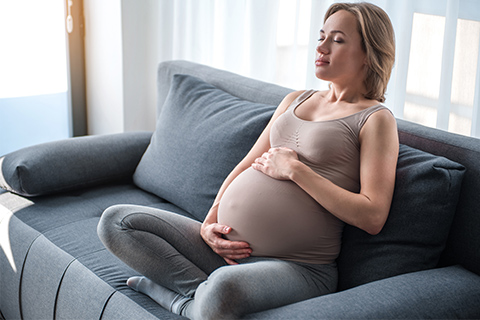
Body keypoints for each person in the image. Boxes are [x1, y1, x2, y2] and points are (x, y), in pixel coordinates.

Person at [97, 2, 399, 319]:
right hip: (226, 250)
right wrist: (210, 221)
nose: (321, 46)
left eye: (337, 40)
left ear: (369, 53)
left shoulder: (375, 120)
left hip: (297, 267)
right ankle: (195, 299)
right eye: (321, 36)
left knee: (223, 290)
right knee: (116, 222)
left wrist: (296, 171)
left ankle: (184, 302)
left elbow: (372, 215)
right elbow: (246, 163)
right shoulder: (297, 99)